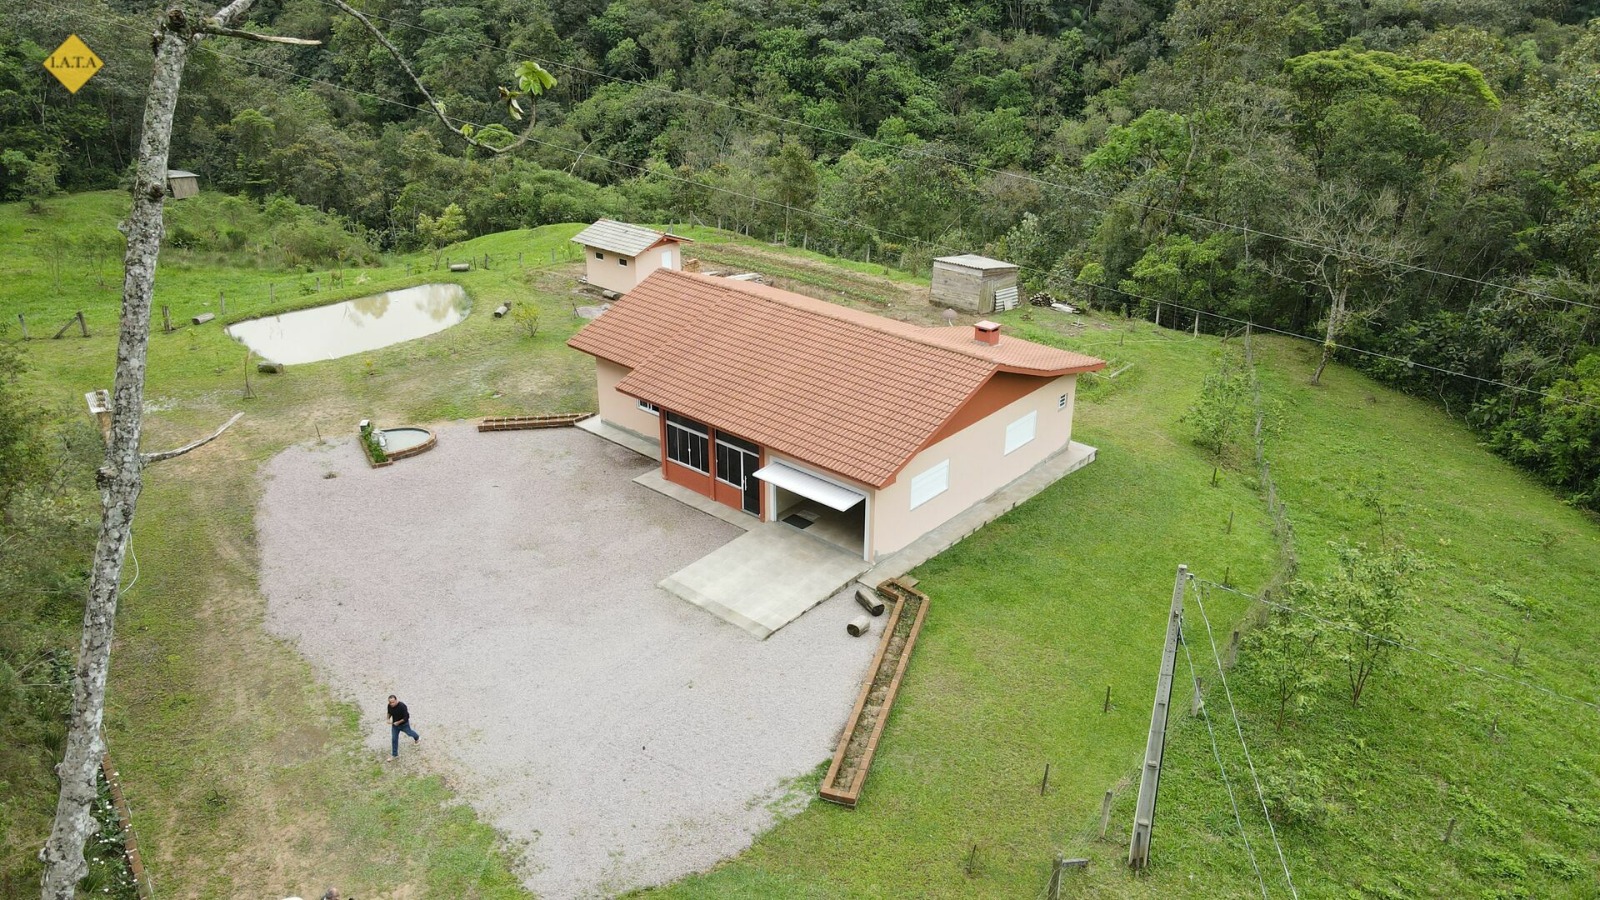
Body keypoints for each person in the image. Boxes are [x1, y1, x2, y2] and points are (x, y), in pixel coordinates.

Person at [386, 694, 420, 759]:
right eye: (390, 702)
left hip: (404, 724)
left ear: (396, 700)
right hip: (395, 726)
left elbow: (406, 717)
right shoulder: (389, 706)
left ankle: (417, 737)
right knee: (394, 739)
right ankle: (394, 754)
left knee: (409, 733)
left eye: (393, 702)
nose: (391, 704)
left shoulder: (402, 706)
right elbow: (389, 712)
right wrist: (388, 719)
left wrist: (398, 722)